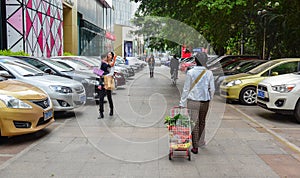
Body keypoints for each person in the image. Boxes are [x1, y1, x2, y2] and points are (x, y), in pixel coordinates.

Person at [179, 52, 215, 154]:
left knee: (194, 124)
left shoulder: (191, 72)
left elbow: (186, 89)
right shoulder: (209, 73)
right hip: (205, 102)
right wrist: (209, 99)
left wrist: (182, 103)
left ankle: (195, 147)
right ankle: (200, 141)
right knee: (202, 121)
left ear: (195, 60)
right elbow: (212, 89)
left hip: (193, 101)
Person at [97, 52, 116, 119]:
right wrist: (100, 73)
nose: (108, 55)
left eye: (110, 54)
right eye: (108, 54)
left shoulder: (111, 64)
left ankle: (111, 109)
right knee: (101, 97)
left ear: (112, 56)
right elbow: (98, 71)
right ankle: (101, 113)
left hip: (108, 81)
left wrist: (103, 74)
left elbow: (111, 73)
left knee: (109, 97)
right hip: (102, 81)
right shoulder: (103, 62)